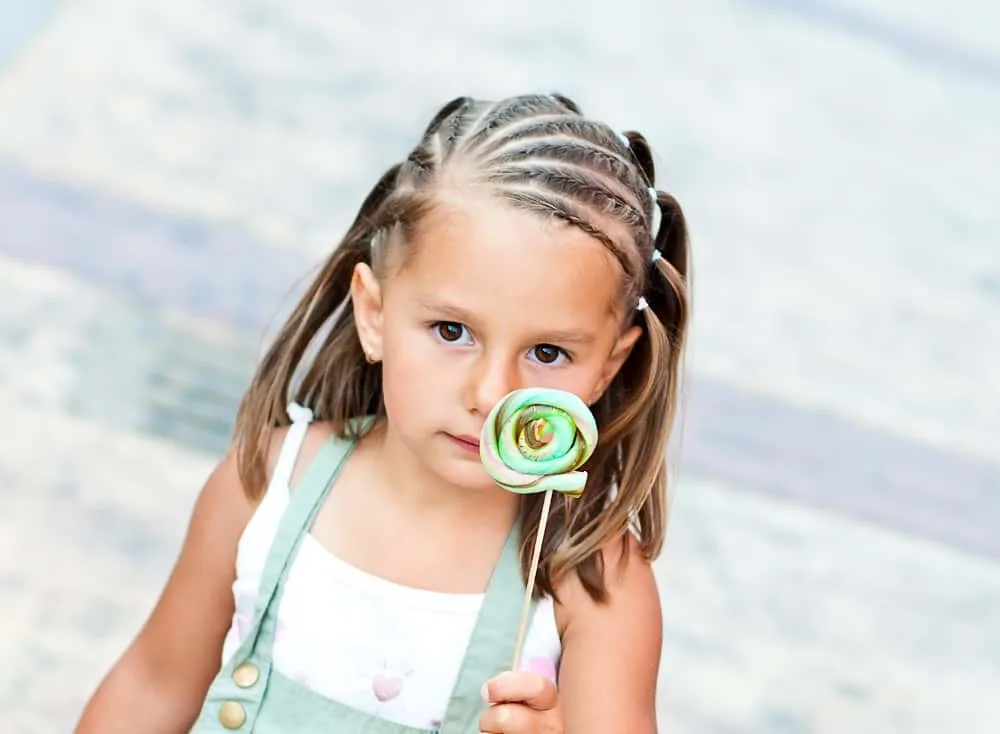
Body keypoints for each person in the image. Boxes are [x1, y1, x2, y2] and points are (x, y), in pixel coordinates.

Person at [75, 92, 691, 734]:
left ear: (608, 366)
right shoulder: (268, 484)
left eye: (547, 351)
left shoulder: (592, 581)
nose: (490, 392)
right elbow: (150, 690)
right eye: (452, 331)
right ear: (375, 315)